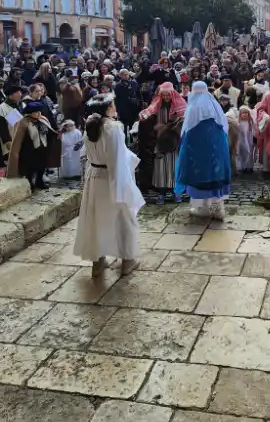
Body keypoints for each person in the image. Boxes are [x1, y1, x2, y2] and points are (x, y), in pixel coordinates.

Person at [74, 93, 144, 277]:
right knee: (123, 217)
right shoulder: (113, 128)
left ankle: (98, 262)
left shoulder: (90, 126)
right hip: (112, 177)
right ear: (107, 109)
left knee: (96, 219)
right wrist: (125, 186)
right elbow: (117, 159)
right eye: (112, 104)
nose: (115, 107)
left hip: (94, 177)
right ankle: (127, 261)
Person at [176, 80, 231, 221]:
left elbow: (187, 131)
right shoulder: (214, 106)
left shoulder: (193, 108)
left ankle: (203, 207)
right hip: (217, 150)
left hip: (198, 153)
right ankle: (219, 208)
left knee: (200, 176)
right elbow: (224, 128)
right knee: (215, 175)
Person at [140, 81, 187, 203]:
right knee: (160, 167)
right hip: (160, 139)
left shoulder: (179, 104)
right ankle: (161, 193)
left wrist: (176, 124)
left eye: (168, 95)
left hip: (173, 140)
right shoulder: (158, 104)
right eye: (163, 95)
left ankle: (175, 193)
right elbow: (149, 112)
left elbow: (184, 118)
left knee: (174, 166)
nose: (166, 97)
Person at [7, 100, 54, 190]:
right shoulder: (23, 123)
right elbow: (18, 138)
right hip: (30, 150)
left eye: (39, 111)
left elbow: (50, 131)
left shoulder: (43, 119)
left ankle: (39, 181)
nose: (39, 114)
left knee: (42, 166)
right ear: (29, 113)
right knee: (30, 168)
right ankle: (29, 183)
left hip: (42, 147)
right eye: (36, 112)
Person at [236, 105, 256, 171]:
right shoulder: (238, 123)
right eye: (243, 113)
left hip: (249, 140)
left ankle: (249, 166)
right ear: (240, 114)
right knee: (241, 153)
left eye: (246, 113)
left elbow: (253, 131)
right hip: (241, 140)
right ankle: (242, 166)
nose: (244, 114)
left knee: (249, 153)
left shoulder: (250, 122)